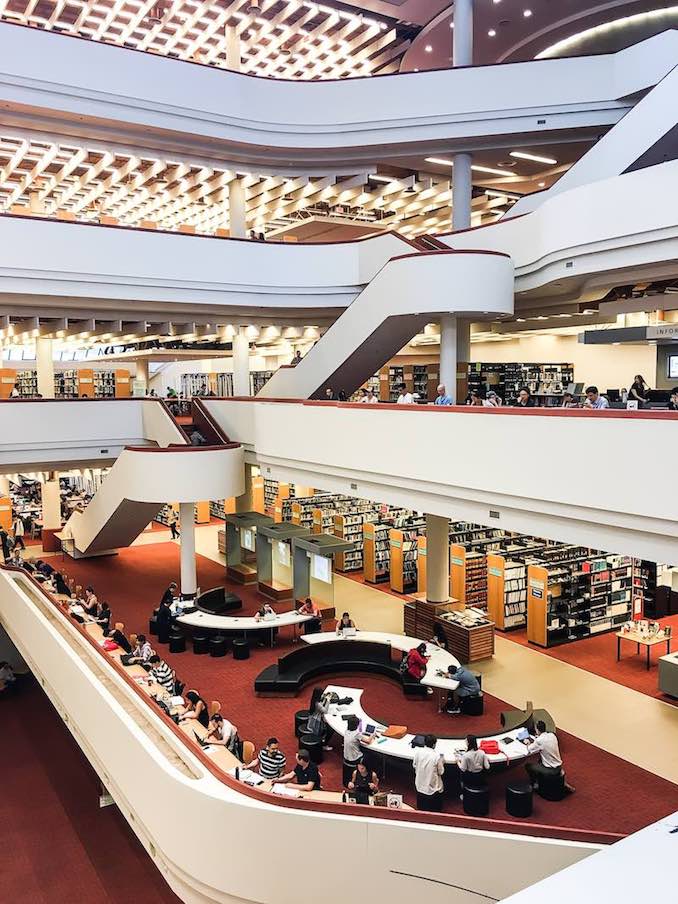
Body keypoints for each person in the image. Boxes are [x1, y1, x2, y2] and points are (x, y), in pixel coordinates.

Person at [523, 720, 575, 794]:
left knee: (528, 766)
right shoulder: (552, 735)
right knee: (540, 759)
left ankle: (535, 784)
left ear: (537, 730)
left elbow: (529, 749)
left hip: (550, 770)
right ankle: (563, 783)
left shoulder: (539, 740)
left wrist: (527, 743)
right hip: (559, 766)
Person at [412, 734, 444, 811]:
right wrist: (442, 762)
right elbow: (441, 772)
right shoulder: (437, 756)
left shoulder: (418, 752)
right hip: (432, 788)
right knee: (441, 785)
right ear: (434, 745)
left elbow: (414, 765)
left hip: (419, 785)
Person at [342, 714, 374, 786]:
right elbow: (368, 741)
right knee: (371, 755)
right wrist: (372, 735)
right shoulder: (356, 734)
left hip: (346, 757)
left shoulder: (346, 731)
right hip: (355, 758)